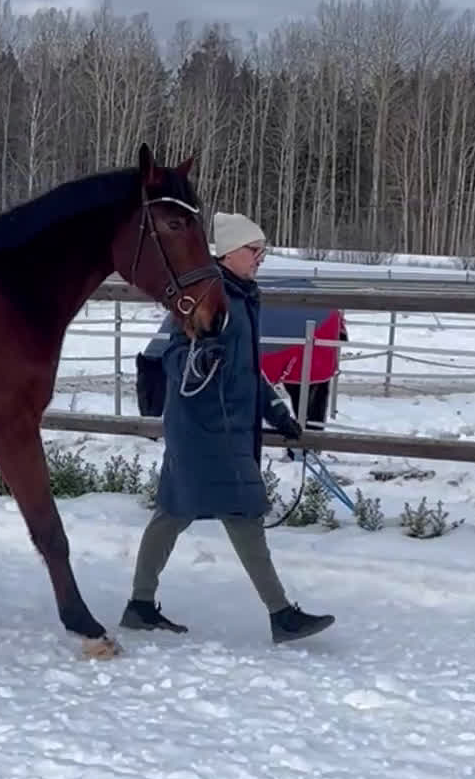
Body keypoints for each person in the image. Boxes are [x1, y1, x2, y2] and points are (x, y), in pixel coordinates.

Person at [121, 211, 336, 645]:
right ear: (228, 252)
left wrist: (278, 413)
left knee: (173, 513)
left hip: (220, 425)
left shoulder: (240, 296)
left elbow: (246, 369)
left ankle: (140, 605)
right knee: (243, 512)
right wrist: (200, 360)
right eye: (254, 250)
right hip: (209, 428)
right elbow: (176, 358)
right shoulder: (207, 296)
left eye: (263, 250)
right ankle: (281, 614)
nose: (260, 257)